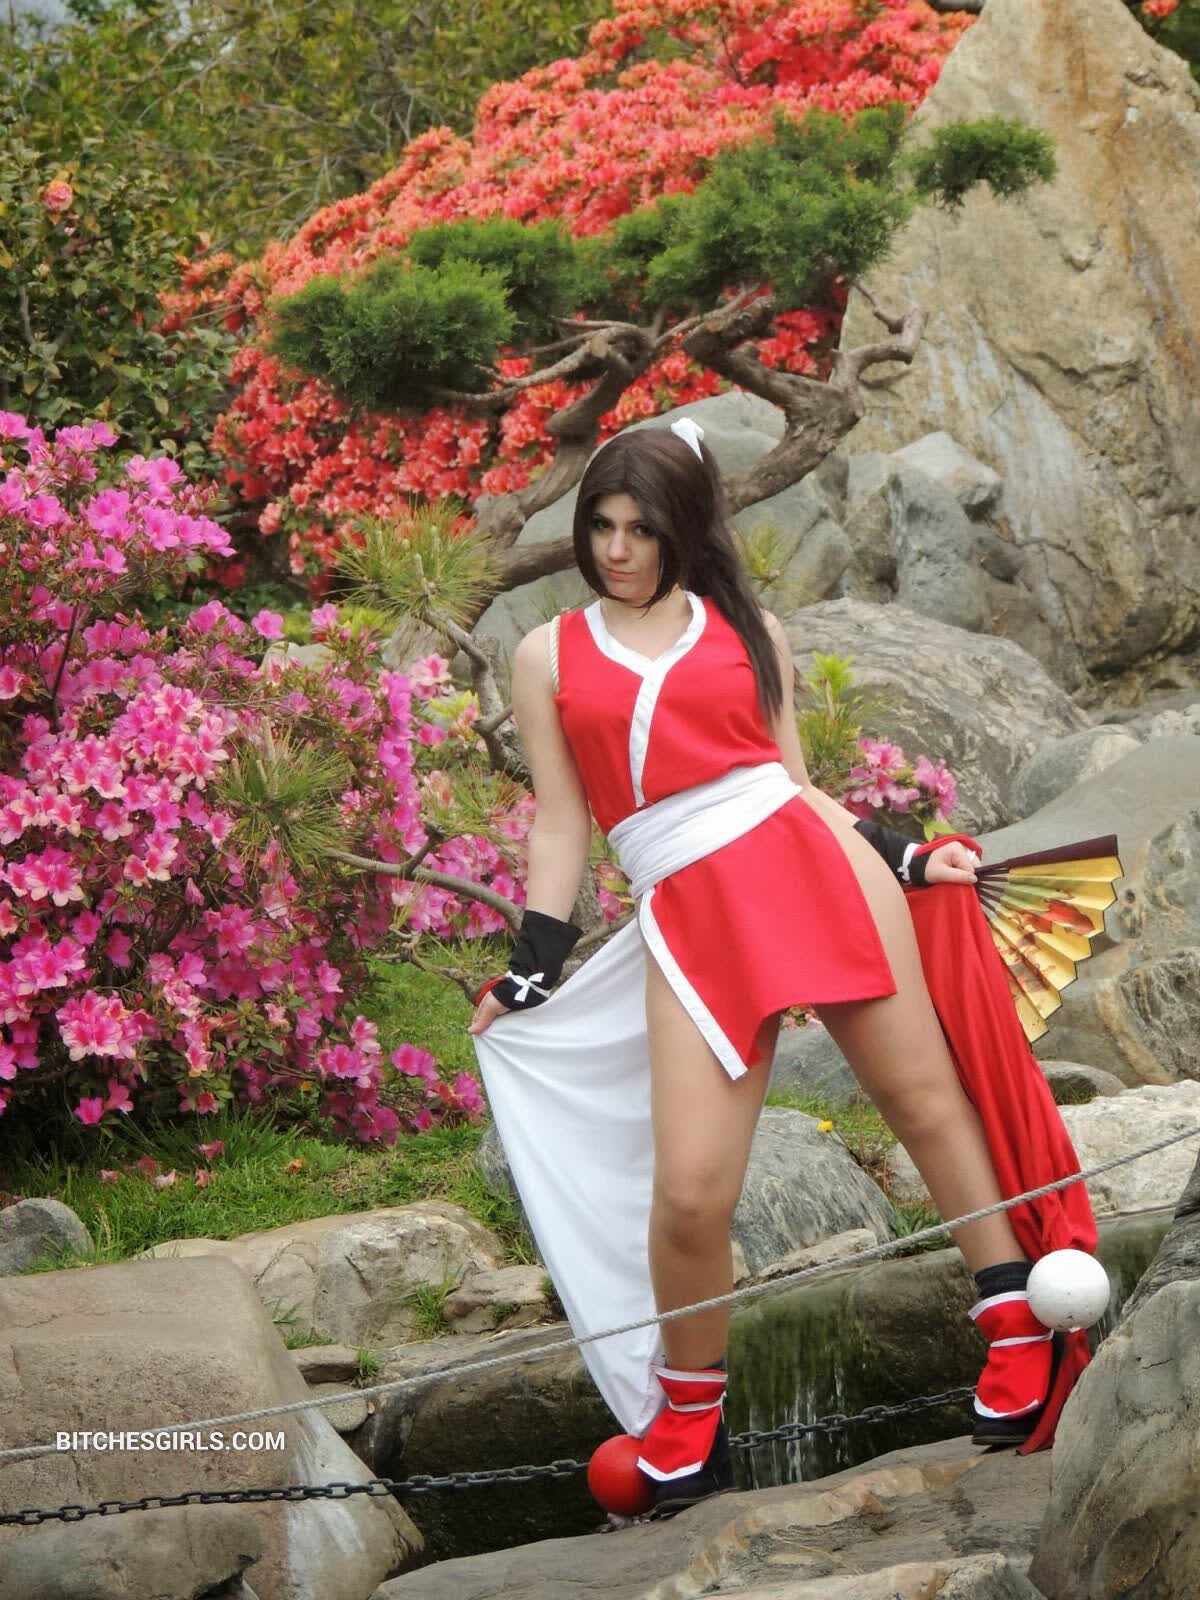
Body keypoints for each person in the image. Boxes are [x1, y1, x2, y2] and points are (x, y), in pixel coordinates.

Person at [469, 418, 1072, 1516]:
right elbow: (560, 823)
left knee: (925, 1103)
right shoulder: (547, 653)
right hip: (689, 913)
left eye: (642, 529)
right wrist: (530, 966)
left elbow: (795, 787)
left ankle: (1018, 1331)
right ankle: (689, 1420)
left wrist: (905, 856)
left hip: (812, 868)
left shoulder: (750, 630)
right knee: (691, 1192)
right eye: (601, 526)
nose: (617, 550)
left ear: (684, 528)